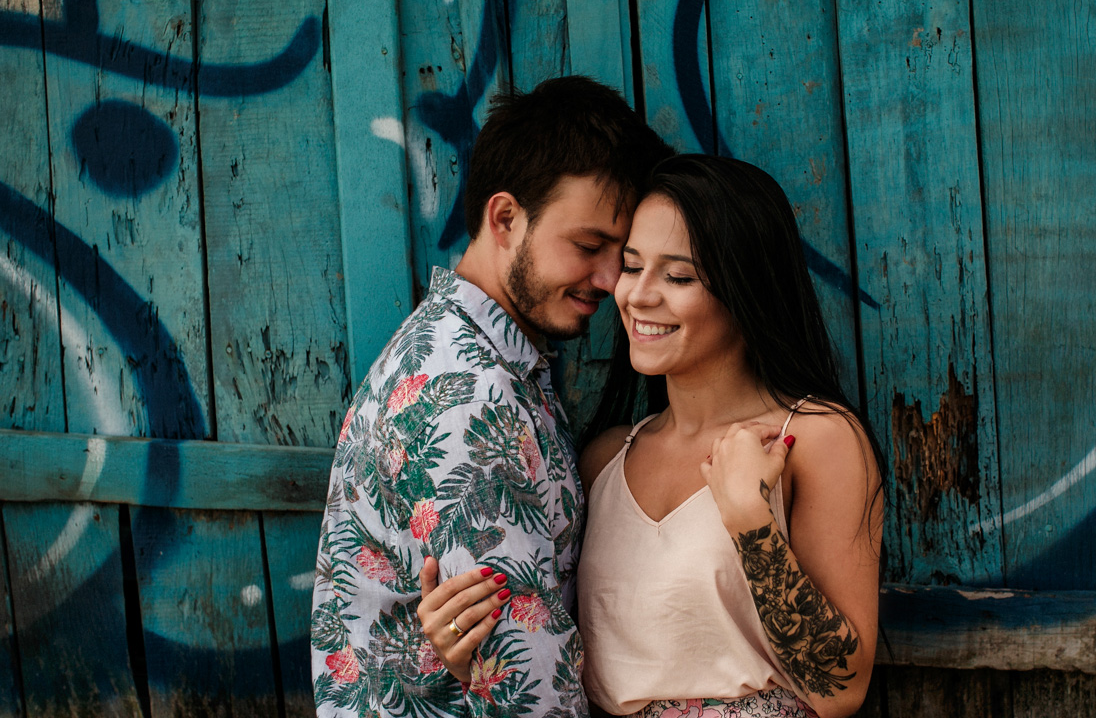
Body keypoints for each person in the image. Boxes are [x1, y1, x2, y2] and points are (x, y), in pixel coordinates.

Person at [422, 155, 884, 718]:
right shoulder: (604, 458)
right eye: (632, 266)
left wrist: (751, 524)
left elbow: (840, 690)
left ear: (746, 290)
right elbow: (556, 641)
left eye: (679, 276)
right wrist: (464, 648)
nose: (637, 295)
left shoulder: (814, 440)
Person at [310, 75, 673, 717]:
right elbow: (527, 690)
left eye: (625, 253)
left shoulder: (483, 357)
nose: (614, 280)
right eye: (589, 246)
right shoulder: (469, 403)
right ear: (504, 217)